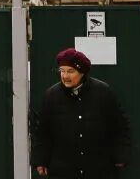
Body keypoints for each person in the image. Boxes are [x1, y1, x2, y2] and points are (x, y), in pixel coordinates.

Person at [31, 47, 131, 178]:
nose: (65, 76)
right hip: (63, 170)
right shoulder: (51, 95)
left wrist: (121, 156)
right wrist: (40, 160)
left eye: (71, 71)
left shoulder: (103, 92)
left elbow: (120, 126)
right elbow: (42, 132)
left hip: (99, 168)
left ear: (82, 72)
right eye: (62, 71)